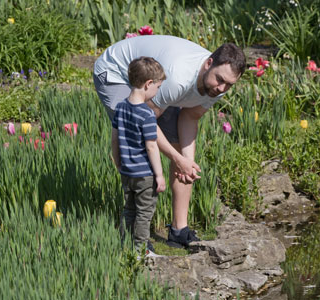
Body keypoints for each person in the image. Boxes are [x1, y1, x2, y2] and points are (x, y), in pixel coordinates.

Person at [94, 35, 246, 248]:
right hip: (115, 72)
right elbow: (145, 124)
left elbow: (189, 117)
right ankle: (135, 239)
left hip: (157, 87)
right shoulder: (179, 76)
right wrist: (177, 157)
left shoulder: (216, 86)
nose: (221, 89)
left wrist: (187, 162)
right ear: (208, 63)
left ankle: (179, 230)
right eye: (219, 80)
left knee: (180, 155)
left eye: (228, 85)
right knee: (141, 150)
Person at [111, 56, 166, 254]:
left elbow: (114, 139)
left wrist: (118, 163)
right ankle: (141, 249)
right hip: (144, 174)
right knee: (144, 212)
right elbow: (152, 147)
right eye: (158, 87)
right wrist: (159, 175)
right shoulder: (146, 114)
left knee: (129, 209)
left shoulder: (120, 108)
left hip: (126, 171)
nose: (157, 91)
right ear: (148, 84)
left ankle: (125, 244)